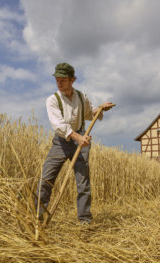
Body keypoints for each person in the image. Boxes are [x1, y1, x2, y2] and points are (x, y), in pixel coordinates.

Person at [36, 62, 114, 224]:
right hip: (61, 142)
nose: (59, 82)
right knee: (46, 179)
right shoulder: (52, 100)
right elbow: (58, 124)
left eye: (63, 79)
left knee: (83, 183)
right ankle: (37, 218)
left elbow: (89, 113)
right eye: (57, 79)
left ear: (72, 79)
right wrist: (76, 137)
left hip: (81, 140)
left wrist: (100, 109)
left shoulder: (81, 96)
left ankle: (84, 221)